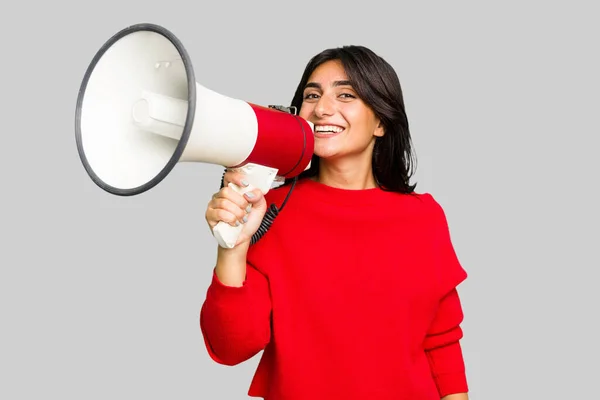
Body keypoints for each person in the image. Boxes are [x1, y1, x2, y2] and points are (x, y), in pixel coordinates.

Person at [200, 45, 469, 400]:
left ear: (382, 122)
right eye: (312, 95)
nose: (323, 108)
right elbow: (231, 347)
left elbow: (442, 341)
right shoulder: (269, 211)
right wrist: (232, 247)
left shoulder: (424, 217)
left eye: (346, 94)